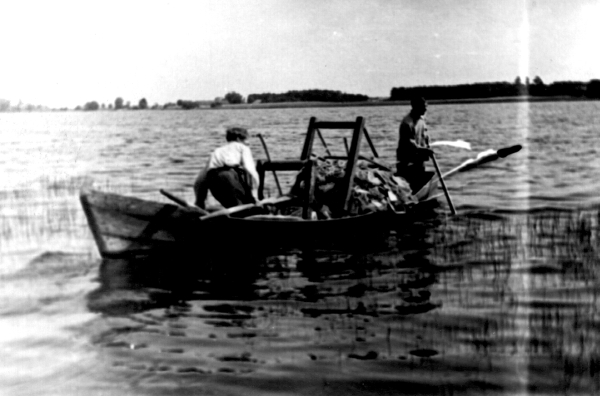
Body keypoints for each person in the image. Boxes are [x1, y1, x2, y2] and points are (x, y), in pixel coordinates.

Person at [194, 127, 259, 209]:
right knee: (242, 208)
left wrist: (199, 201)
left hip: (213, 180)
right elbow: (250, 170)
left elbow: (201, 179)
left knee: (232, 206)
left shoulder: (217, 151)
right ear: (238, 139)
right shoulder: (242, 147)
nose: (248, 143)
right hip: (227, 177)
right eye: (247, 140)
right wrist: (256, 196)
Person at [396, 96, 434, 191]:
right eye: (423, 106)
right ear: (415, 107)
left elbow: (425, 136)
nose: (426, 109)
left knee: (419, 186)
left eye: (426, 106)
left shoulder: (421, 120)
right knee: (408, 188)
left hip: (419, 160)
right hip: (407, 162)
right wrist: (425, 150)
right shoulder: (407, 123)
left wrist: (428, 145)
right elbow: (409, 143)